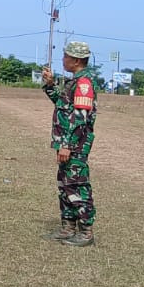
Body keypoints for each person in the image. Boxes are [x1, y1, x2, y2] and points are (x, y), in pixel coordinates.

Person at [41, 39, 97, 247]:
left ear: (76, 60)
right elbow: (62, 105)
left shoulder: (83, 84)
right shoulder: (74, 81)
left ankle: (85, 231)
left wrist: (66, 145)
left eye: (66, 56)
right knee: (65, 185)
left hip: (75, 145)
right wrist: (50, 85)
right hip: (67, 144)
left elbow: (80, 120)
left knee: (77, 185)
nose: (63, 60)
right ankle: (68, 227)